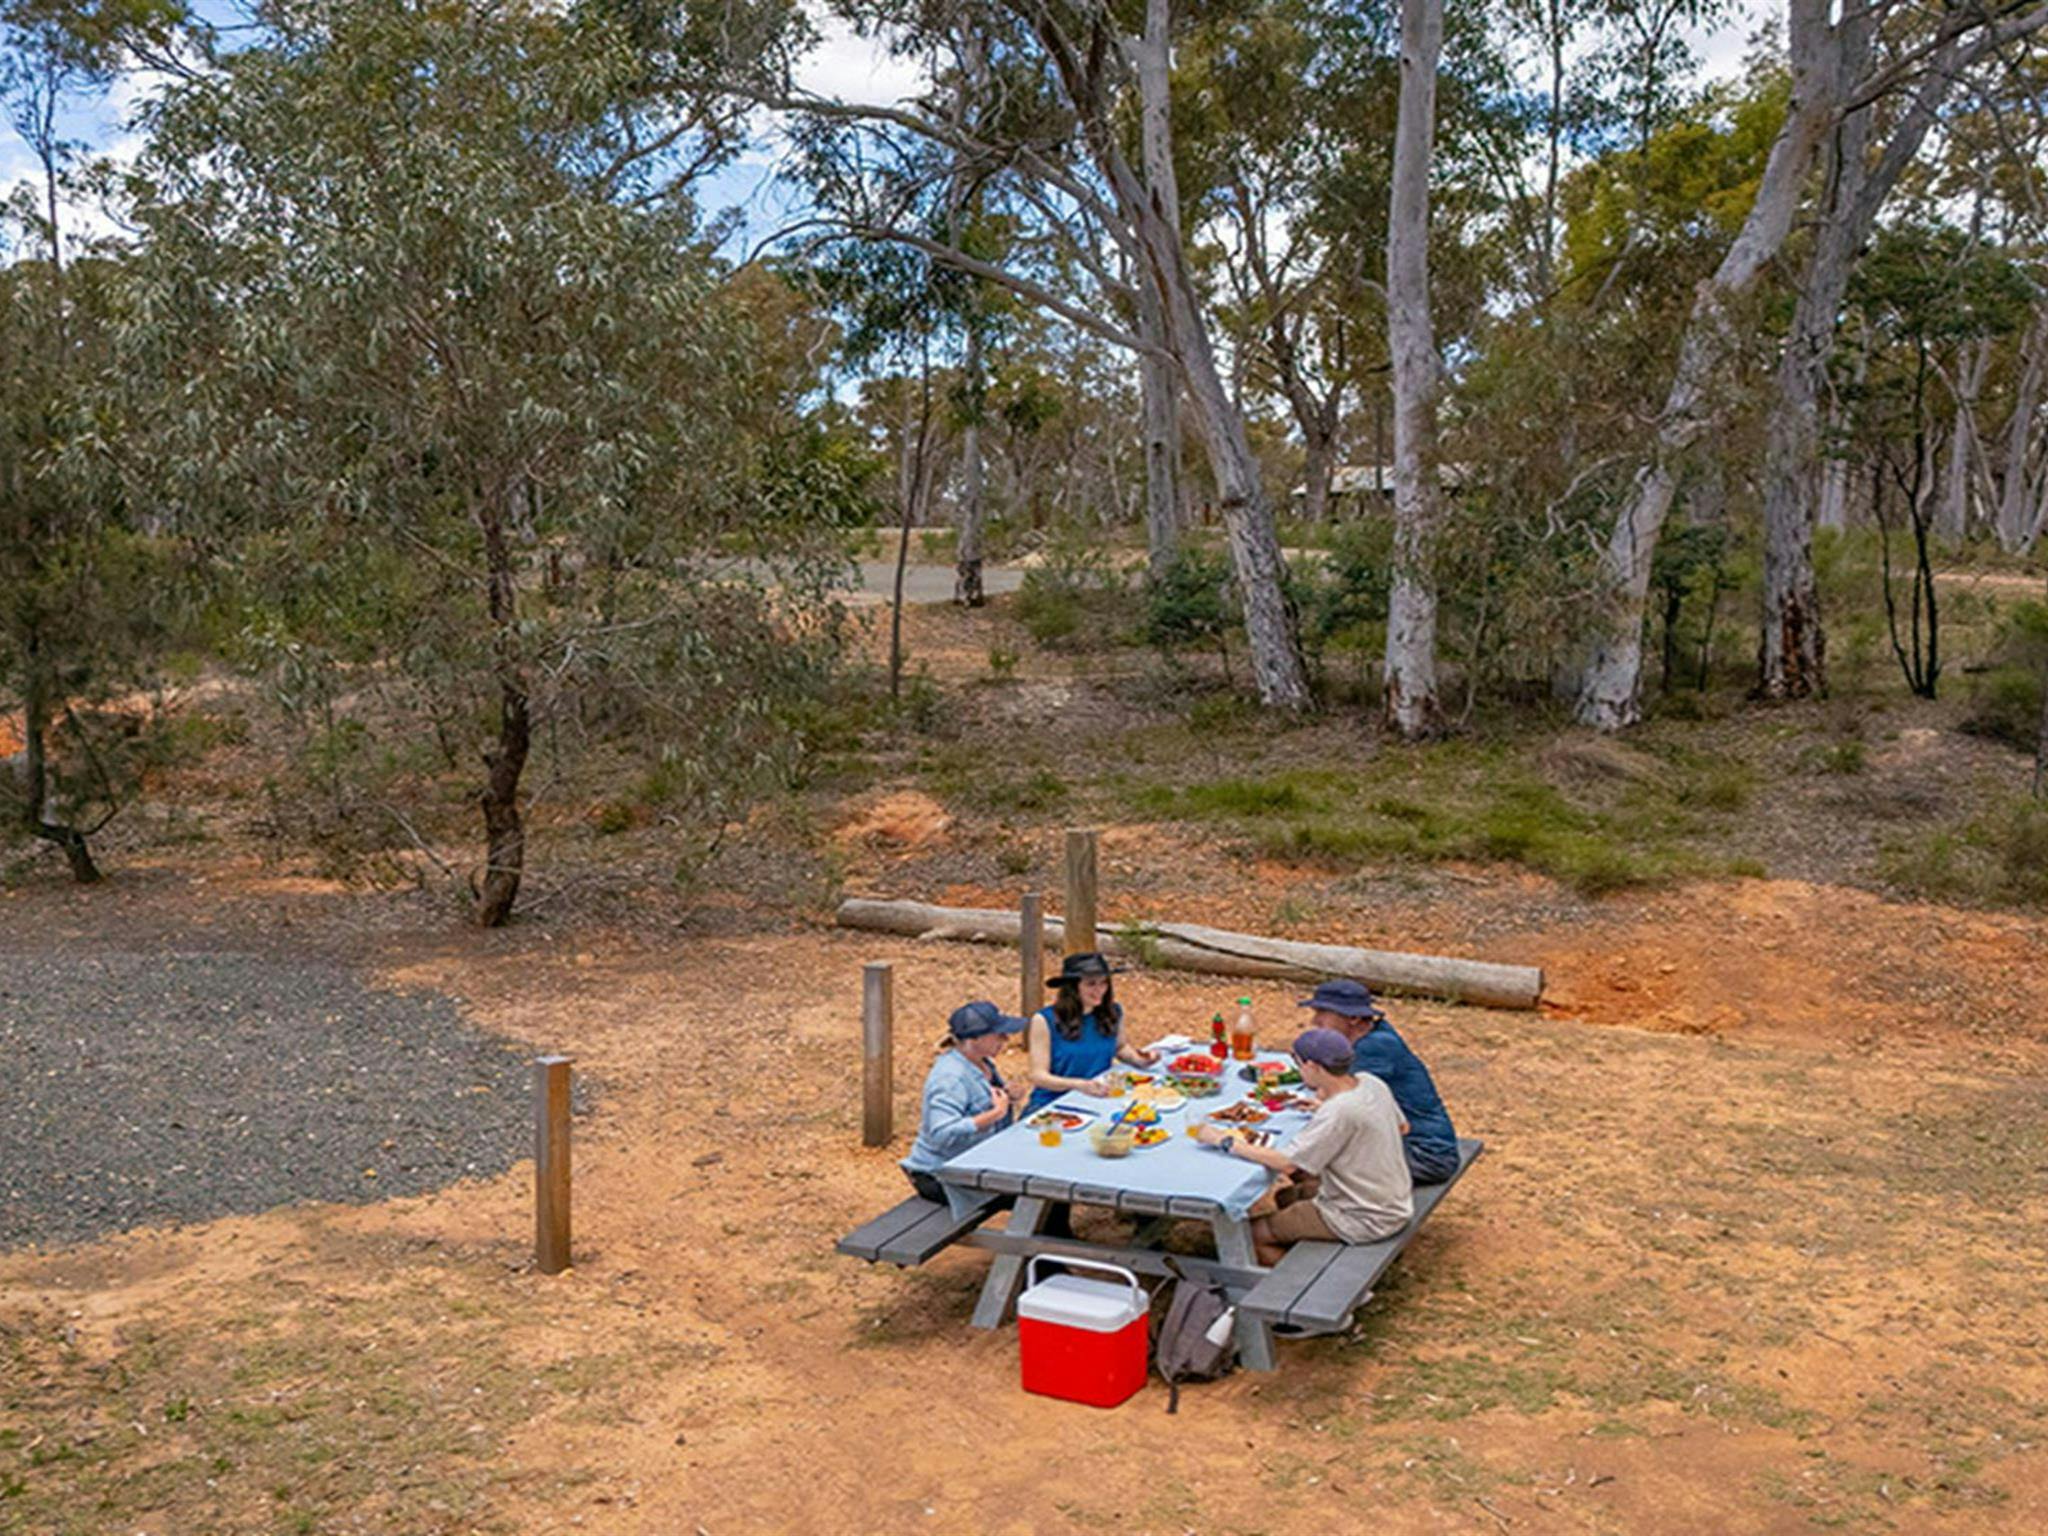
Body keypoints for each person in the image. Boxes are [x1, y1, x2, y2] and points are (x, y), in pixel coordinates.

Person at [1196, 1028, 1413, 1267]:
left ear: (1312, 1066)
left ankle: (1306, 1291)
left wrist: (1224, 1141)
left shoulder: (1338, 1111)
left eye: (1297, 1064)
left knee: (1248, 1237)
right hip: (1392, 1200)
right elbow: (1402, 1127)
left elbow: (1287, 1164)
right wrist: (1323, 1109)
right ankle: (1306, 1251)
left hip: (1362, 1217)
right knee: (1286, 1196)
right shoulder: (1371, 1083)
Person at [1297, 978, 1461, 1185]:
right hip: (1409, 1140)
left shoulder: (1374, 1048)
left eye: (1322, 1013)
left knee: (1318, 1155)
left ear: (1354, 1017)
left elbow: (1328, 1089)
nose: (1315, 1022)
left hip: (1426, 1155)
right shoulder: (1374, 1032)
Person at [900, 1000, 1026, 1213]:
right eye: (998, 1034)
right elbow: (941, 1132)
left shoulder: (981, 1062)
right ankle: (1047, 1243)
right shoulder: (950, 1078)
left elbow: (985, 1101)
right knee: (1033, 1193)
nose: (1006, 1039)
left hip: (975, 1163)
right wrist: (996, 1113)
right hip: (942, 1176)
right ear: (973, 1039)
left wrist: (1008, 1094)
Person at [1023, 951, 1158, 1115]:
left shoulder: (1113, 1012)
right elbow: (1038, 1076)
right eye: (1091, 984)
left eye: (1104, 983)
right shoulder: (1044, 1020)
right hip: (1052, 1106)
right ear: (1073, 987)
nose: (1099, 990)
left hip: (1098, 1100)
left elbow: (1120, 1047)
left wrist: (1139, 1060)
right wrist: (1079, 1085)